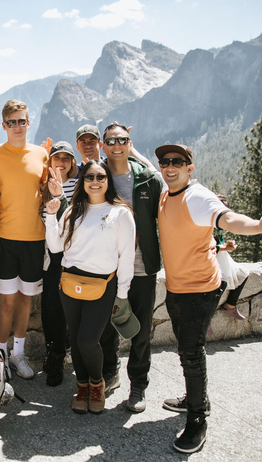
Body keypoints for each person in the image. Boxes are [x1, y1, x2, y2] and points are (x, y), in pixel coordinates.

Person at [155, 143, 262, 453]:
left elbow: (227, 218)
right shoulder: (166, 194)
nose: (169, 166)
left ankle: (197, 420)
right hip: (178, 288)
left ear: (191, 167)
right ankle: (195, 398)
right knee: (186, 348)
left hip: (199, 290)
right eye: (165, 161)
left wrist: (256, 226)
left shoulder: (197, 197)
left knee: (191, 352)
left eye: (178, 161)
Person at [44, 160, 136, 414]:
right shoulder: (72, 211)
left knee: (87, 339)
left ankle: (96, 383)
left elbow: (126, 256)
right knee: (75, 337)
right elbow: (55, 247)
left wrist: (122, 294)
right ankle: (82, 386)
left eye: (100, 177)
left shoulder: (121, 213)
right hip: (70, 282)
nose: (95, 181)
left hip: (103, 284)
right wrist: (51, 215)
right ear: (82, 182)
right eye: (90, 177)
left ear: (108, 181)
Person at [99, 121, 164, 413]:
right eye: (110, 141)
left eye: (121, 140)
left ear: (129, 143)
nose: (116, 146)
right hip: (106, 265)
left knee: (141, 327)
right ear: (103, 145)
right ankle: (109, 374)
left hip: (141, 265)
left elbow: (166, 216)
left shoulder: (147, 178)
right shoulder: (97, 176)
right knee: (105, 326)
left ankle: (138, 385)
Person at [0, 99, 49, 379]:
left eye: (22, 121)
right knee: (7, 301)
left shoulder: (41, 155)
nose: (18, 126)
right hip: (5, 239)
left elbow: (47, 190)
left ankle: (18, 355)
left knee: (25, 300)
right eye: (12, 122)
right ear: (4, 125)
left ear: (28, 122)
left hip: (35, 238)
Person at [39, 141, 79, 386]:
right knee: (51, 308)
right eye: (56, 157)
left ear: (73, 162)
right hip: (52, 256)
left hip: (75, 254)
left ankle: (73, 353)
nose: (61, 162)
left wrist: (59, 195)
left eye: (66, 158)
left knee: (73, 308)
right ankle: (54, 356)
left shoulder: (80, 184)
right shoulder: (42, 187)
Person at [214, 195, 249, 320]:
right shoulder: (207, 223)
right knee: (219, 284)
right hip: (212, 257)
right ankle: (206, 318)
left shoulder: (218, 223)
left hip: (221, 255)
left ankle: (230, 305)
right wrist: (224, 248)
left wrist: (227, 245)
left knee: (243, 273)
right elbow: (204, 246)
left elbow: (217, 241)